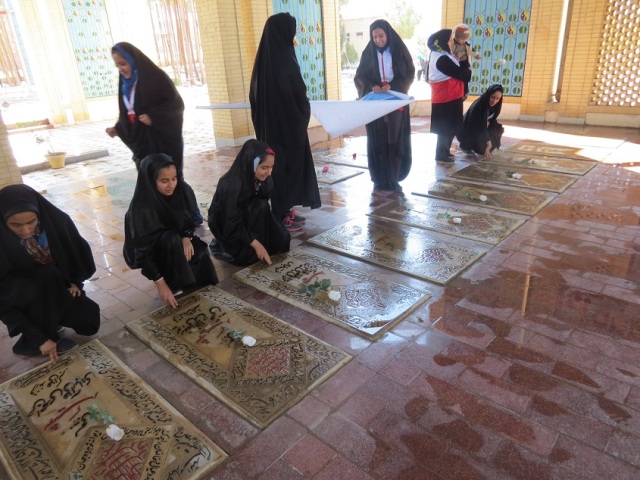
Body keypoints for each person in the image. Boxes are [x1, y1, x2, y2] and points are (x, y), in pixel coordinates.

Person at [0, 184, 100, 361]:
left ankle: (53, 319)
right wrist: (39, 338)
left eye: (31, 222)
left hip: (56, 285)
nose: (26, 230)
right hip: (23, 297)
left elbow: (76, 255)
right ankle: (36, 337)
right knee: (45, 274)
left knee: (89, 321)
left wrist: (75, 282)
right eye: (15, 225)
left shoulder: (56, 222)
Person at [249, 13, 321, 232]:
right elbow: (296, 92)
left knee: (278, 169)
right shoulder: (284, 59)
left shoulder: (263, 61)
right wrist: (302, 110)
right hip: (287, 129)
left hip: (271, 129)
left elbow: (254, 98)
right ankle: (280, 214)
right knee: (284, 169)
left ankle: (284, 210)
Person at [123, 154, 218, 308]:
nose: (171, 185)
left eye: (174, 179)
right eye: (164, 181)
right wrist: (160, 283)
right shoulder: (141, 209)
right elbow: (143, 252)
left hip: (176, 241)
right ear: (151, 181)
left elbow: (189, 218)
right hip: (157, 251)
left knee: (199, 254)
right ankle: (170, 281)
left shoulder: (182, 190)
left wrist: (186, 236)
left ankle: (184, 279)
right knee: (170, 238)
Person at [207, 139, 291, 266]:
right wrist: (255, 243)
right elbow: (230, 222)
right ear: (251, 163)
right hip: (229, 227)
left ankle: (258, 238)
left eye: (271, 167)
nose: (269, 172)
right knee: (250, 256)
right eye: (264, 167)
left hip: (251, 216)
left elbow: (262, 204)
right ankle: (250, 243)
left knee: (282, 241)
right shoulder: (231, 185)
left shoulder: (262, 177)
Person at [354, 19, 415, 193]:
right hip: (375, 103)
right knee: (377, 139)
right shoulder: (368, 53)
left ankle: (393, 178)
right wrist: (371, 85)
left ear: (388, 34)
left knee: (394, 140)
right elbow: (360, 77)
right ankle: (379, 178)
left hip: (395, 101)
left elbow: (409, 73)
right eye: (374, 37)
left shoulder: (399, 51)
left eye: (381, 36)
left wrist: (393, 85)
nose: (378, 40)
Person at [106, 42, 185, 173]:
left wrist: (154, 117)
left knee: (166, 178)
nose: (121, 69)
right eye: (117, 65)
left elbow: (176, 105)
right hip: (142, 144)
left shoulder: (156, 78)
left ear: (133, 60)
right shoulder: (125, 85)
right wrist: (119, 128)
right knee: (147, 179)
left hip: (162, 142)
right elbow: (128, 112)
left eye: (123, 64)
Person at [427, 28, 471, 164]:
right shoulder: (441, 58)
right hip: (446, 98)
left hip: (450, 97)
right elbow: (462, 74)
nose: (453, 42)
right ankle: (441, 154)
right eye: (450, 40)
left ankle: (445, 152)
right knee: (446, 128)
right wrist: (467, 71)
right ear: (443, 41)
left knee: (450, 127)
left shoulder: (442, 55)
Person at [458, 84, 505, 157]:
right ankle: (466, 146)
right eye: (492, 97)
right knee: (483, 149)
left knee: (498, 128)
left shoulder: (494, 106)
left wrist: (488, 122)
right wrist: (488, 144)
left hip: (480, 129)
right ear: (488, 95)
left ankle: (483, 146)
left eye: (498, 98)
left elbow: (491, 121)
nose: (494, 101)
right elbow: (480, 127)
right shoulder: (479, 106)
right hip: (468, 132)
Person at [450, 24, 481, 99]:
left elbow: (472, 51)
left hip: (465, 63)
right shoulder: (452, 45)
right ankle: (456, 91)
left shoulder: (467, 45)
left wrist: (477, 55)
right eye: (462, 39)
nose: (464, 41)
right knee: (457, 78)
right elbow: (449, 53)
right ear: (456, 37)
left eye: (465, 39)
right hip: (457, 64)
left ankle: (465, 92)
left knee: (466, 78)